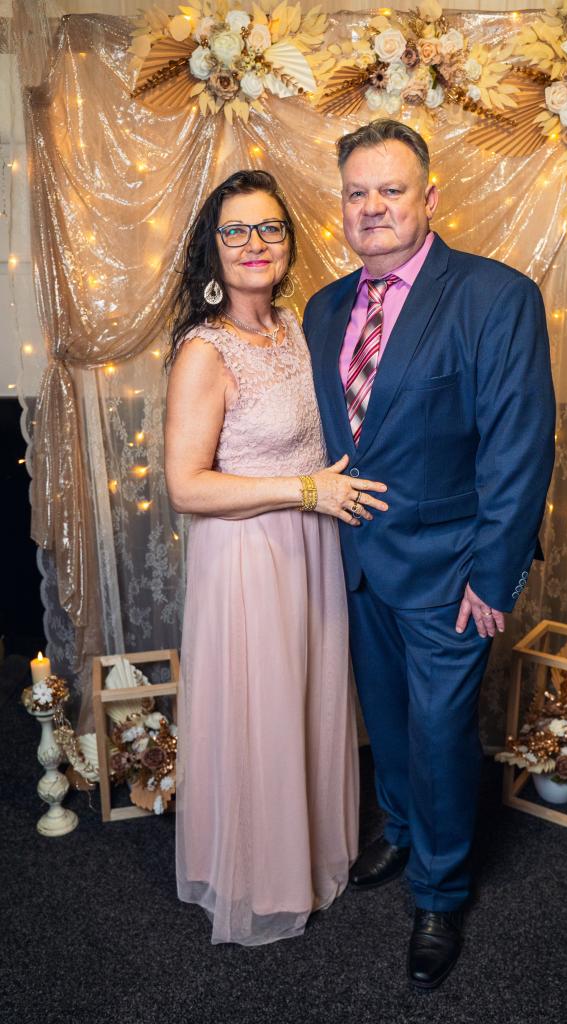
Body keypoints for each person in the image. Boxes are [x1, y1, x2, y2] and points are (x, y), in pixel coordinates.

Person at [303, 120, 556, 988]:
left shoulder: (495, 296)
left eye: (391, 189)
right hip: (356, 563)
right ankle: (404, 830)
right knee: (385, 717)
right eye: (356, 192)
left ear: (429, 198)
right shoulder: (323, 308)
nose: (371, 207)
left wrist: (494, 573)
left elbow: (518, 446)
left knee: (442, 732)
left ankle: (440, 892)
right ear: (342, 205)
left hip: (451, 572)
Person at [164, 169, 389, 946]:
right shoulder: (205, 350)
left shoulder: (298, 326)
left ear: (288, 242)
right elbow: (186, 486)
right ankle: (257, 877)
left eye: (269, 228)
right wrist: (305, 491)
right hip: (248, 556)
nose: (253, 244)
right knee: (258, 712)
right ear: (212, 247)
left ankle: (307, 855)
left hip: (312, 546)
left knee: (305, 703)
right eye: (235, 230)